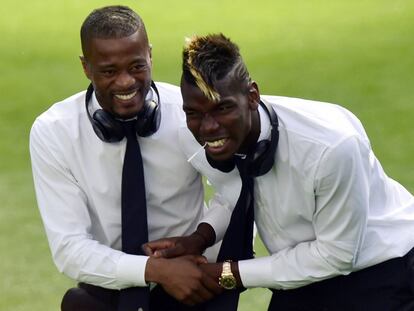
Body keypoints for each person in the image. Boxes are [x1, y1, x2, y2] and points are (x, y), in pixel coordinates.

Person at [145, 33, 414, 310]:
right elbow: (235, 193)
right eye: (194, 113)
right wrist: (199, 238)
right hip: (301, 271)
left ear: (252, 96)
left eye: (223, 108)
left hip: (382, 267)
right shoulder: (202, 134)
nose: (208, 126)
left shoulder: (332, 146)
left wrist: (230, 274)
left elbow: (338, 255)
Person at [29, 6, 228, 311]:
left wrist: (201, 239)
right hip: (109, 286)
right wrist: (154, 269)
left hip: (193, 280)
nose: (125, 82)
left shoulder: (189, 113)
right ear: (86, 67)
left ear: (150, 56)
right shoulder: (54, 132)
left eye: (136, 66)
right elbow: (69, 247)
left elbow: (236, 192)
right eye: (109, 71)